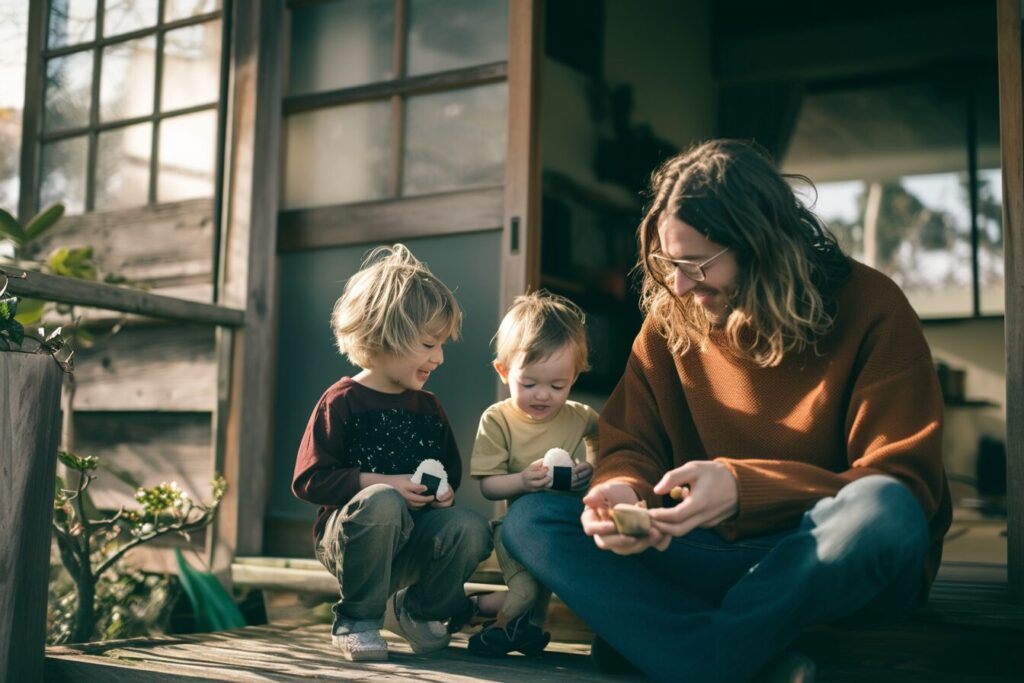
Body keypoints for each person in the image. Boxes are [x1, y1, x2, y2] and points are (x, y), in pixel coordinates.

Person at [500, 140, 952, 683]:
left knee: (884, 509)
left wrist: (743, 488)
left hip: (824, 557)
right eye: (672, 263)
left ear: (761, 244)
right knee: (534, 520)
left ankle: (673, 650)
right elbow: (630, 444)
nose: (681, 284)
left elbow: (905, 483)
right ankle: (730, 650)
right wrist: (622, 488)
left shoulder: (873, 308)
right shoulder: (673, 317)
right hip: (709, 554)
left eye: (697, 264)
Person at [292, 244, 492, 662]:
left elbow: (449, 476)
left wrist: (442, 496)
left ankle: (417, 610)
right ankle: (357, 620)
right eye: (427, 344)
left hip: (413, 541)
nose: (438, 357)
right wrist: (384, 484)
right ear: (383, 336)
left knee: (471, 526)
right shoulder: (342, 400)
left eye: (442, 345)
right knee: (382, 501)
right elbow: (311, 480)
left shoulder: (429, 407)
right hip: (354, 542)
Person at [466, 291, 599, 657]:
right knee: (525, 593)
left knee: (536, 609)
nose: (543, 396)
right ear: (504, 371)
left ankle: (475, 610)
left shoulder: (582, 416)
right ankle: (495, 631)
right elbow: (489, 487)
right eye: (529, 384)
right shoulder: (498, 419)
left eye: (558, 385)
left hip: (557, 532)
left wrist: (592, 469)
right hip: (513, 532)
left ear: (575, 375)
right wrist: (522, 481)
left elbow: (606, 446)